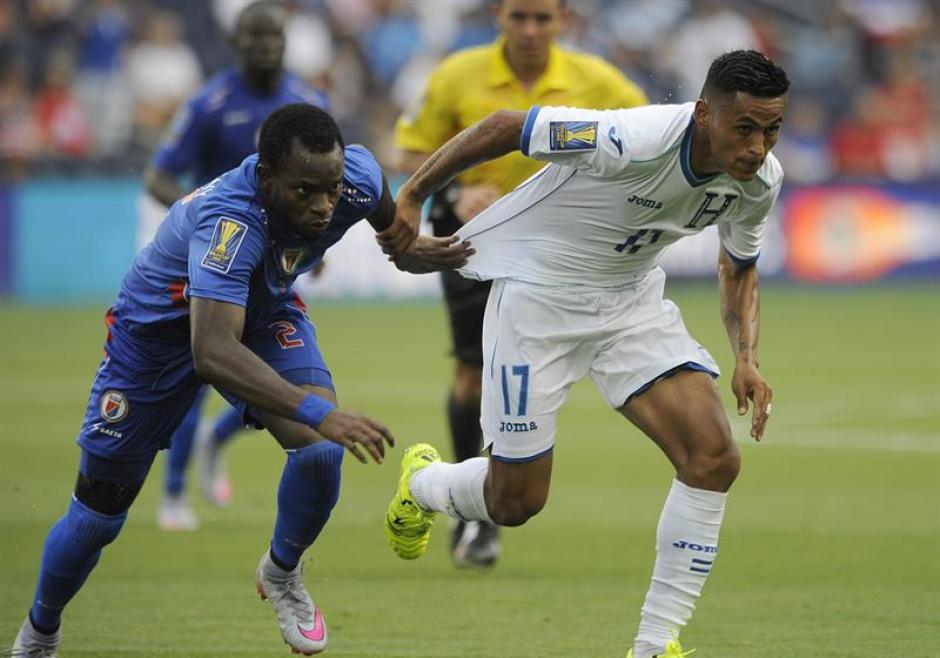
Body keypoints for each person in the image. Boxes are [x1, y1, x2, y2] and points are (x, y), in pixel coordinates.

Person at [11, 103, 470, 657]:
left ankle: (281, 571)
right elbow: (211, 351)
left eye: (331, 189)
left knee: (320, 451)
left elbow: (390, 226)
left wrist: (413, 251)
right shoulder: (231, 221)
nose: (323, 206)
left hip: (262, 314)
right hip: (155, 342)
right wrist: (320, 411)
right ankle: (39, 632)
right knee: (98, 516)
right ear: (266, 177)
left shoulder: (357, 178)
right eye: (305, 192)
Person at [382, 49, 788, 658]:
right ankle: (424, 482)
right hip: (538, 301)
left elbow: (739, 265)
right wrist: (412, 197)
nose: (757, 147)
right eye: (746, 128)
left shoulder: (760, 181)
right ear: (705, 113)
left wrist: (746, 357)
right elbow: (506, 126)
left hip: (629, 304)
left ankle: (655, 644)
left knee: (712, 457)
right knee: (515, 502)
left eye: (772, 130)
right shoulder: (634, 139)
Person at [393, 0, 648, 568]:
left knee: (519, 375)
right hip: (472, 238)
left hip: (556, 250)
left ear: (563, 21)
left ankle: (485, 502)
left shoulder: (598, 81)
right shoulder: (457, 75)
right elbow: (409, 148)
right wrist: (456, 190)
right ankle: (473, 516)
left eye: (542, 18)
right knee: (473, 370)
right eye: (519, 17)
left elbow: (648, 142)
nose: (531, 30)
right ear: (499, 17)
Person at [141, 0, 330, 530]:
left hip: (272, 264)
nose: (266, 46)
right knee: (202, 369)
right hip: (216, 259)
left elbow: (323, 181)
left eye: (275, 37)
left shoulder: (307, 102)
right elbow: (158, 176)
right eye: (256, 37)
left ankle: (218, 436)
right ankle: (174, 495)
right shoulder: (210, 103)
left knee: (280, 369)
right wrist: (198, 220)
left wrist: (318, 244)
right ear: (236, 42)